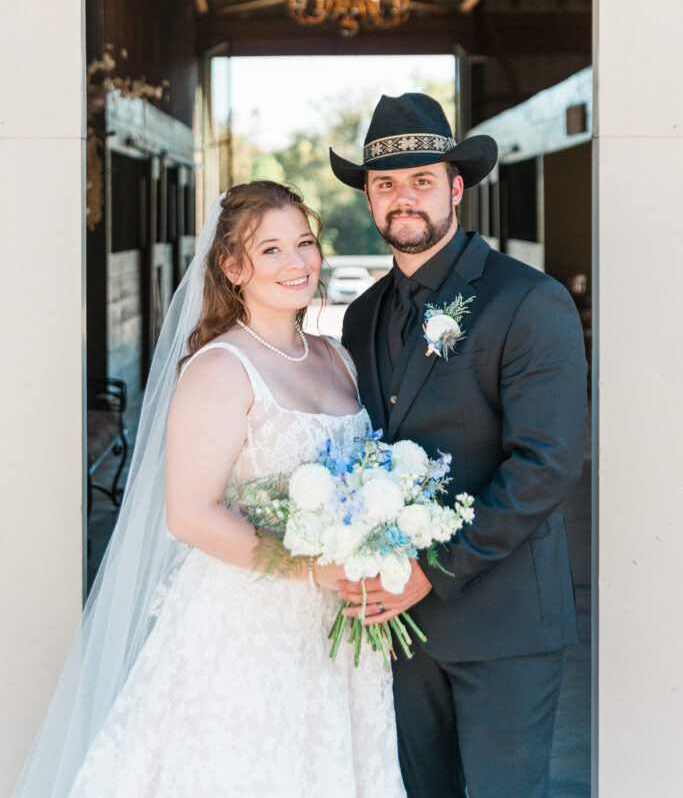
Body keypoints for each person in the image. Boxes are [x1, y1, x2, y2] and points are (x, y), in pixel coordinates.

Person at [12, 182, 405, 798]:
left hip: (338, 626)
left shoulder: (337, 357)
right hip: (248, 626)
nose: (296, 263)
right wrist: (315, 567)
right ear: (230, 266)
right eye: (270, 250)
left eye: (304, 243)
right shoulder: (222, 368)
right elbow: (190, 515)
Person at [331, 93, 588, 798]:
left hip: (503, 627)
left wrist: (430, 569)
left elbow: (547, 463)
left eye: (420, 180)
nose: (401, 197)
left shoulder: (525, 301)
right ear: (370, 200)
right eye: (384, 184)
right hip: (398, 630)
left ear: (455, 187)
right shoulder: (360, 315)